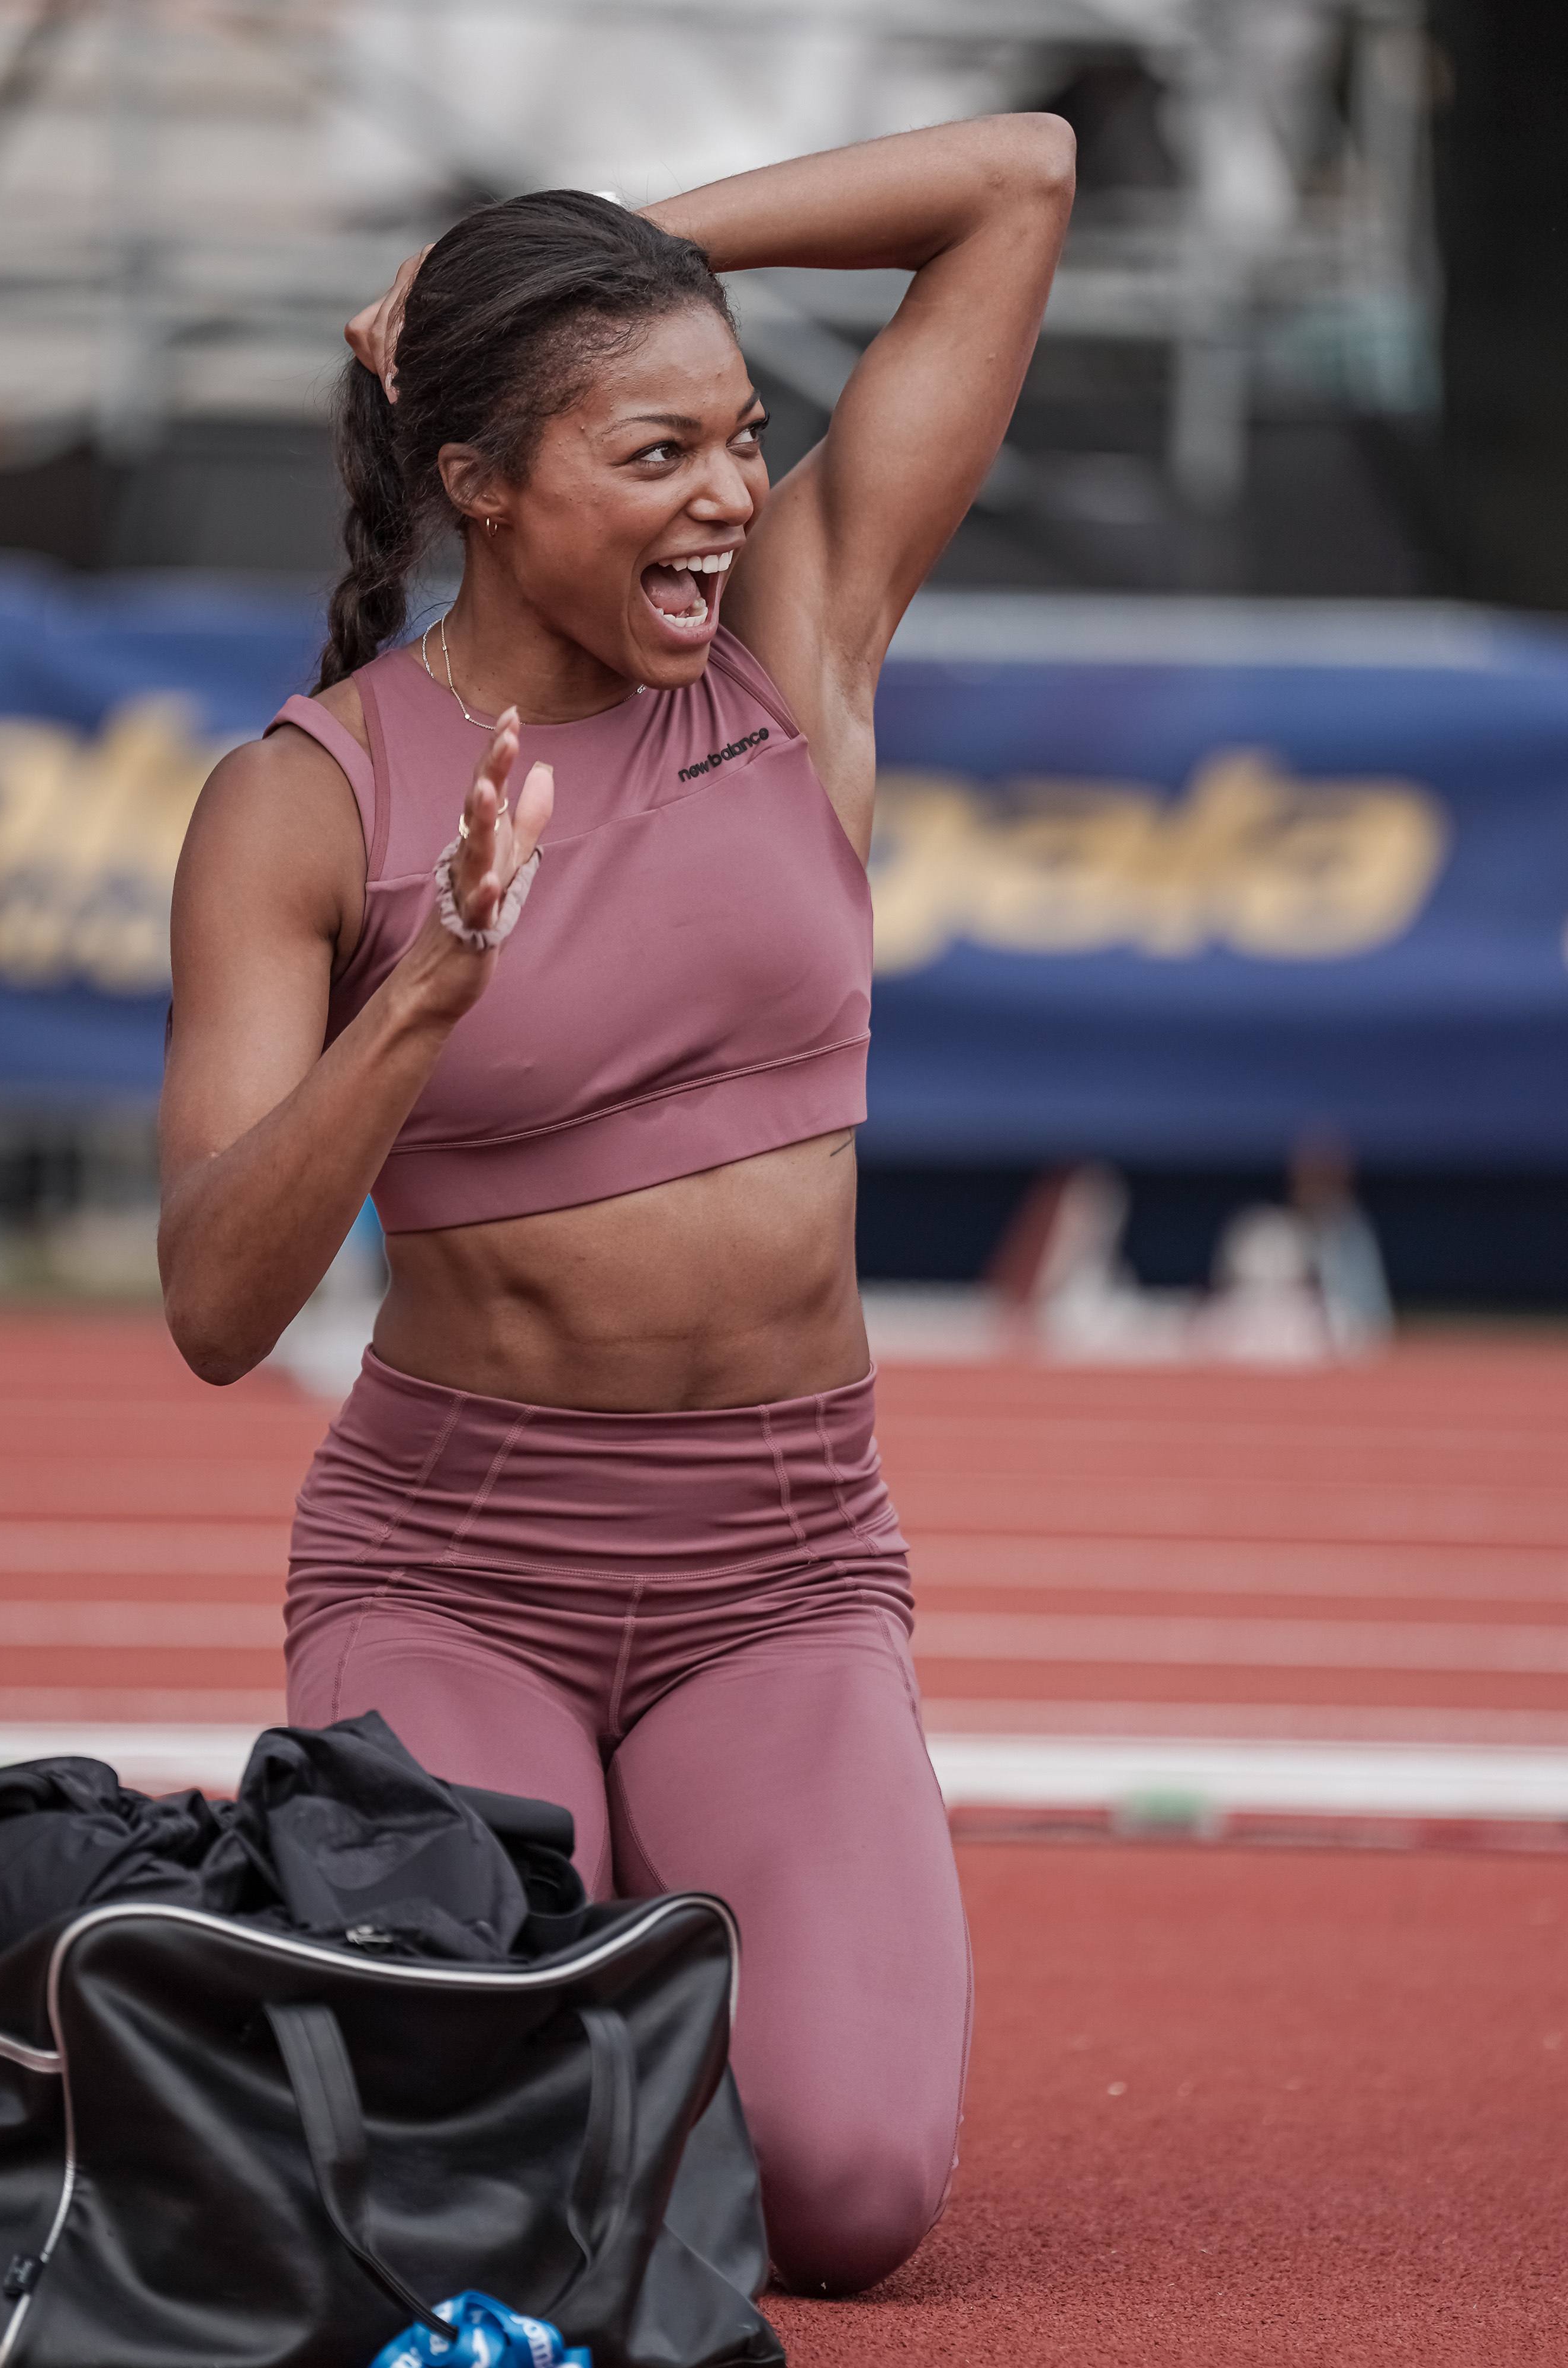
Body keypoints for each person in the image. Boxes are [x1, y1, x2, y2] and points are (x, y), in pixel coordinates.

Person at [158, 120, 1074, 2294]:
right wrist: (424, 1000)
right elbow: (213, 1303)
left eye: (741, 436)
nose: (730, 493)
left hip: (785, 1566)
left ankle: (630, 1930)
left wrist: (592, 255)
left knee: (847, 2194)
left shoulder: (797, 645)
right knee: (466, 2195)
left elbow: (1019, 183)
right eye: (656, 452)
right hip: (454, 1572)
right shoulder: (304, 801)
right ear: (481, 482)